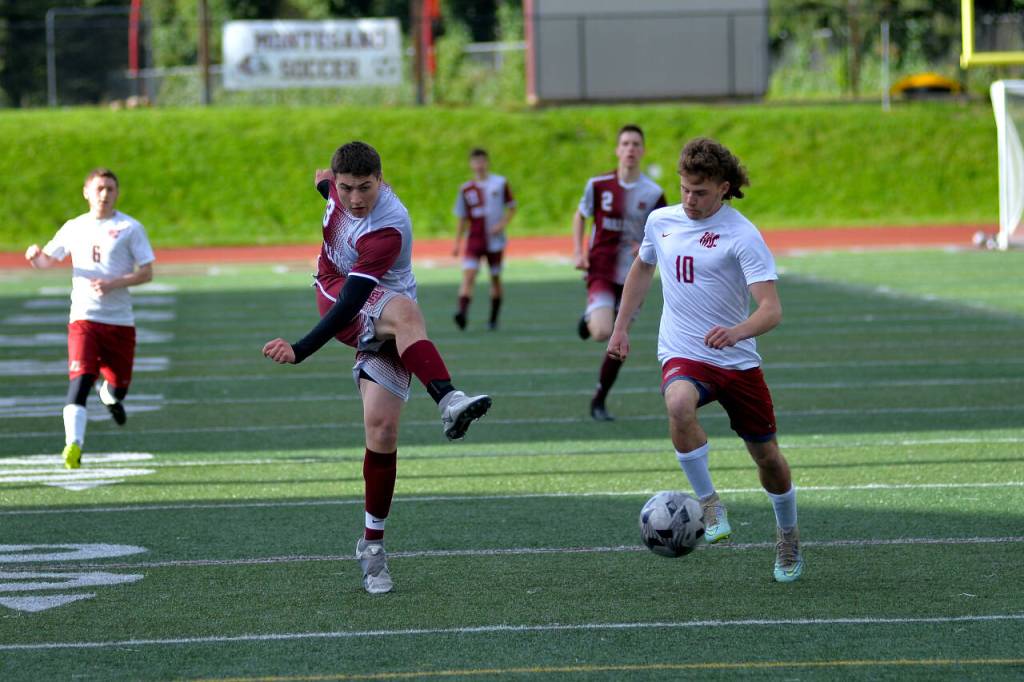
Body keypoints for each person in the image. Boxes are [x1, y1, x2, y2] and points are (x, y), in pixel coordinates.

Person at [262, 141, 492, 595]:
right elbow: (346, 300)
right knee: (407, 311)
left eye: (365, 188)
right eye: (345, 188)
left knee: (382, 431)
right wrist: (302, 348)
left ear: (381, 180)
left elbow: (361, 299)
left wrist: (301, 347)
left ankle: (372, 547)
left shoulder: (387, 228)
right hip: (335, 290)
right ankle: (448, 399)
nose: (354, 199)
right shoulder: (336, 189)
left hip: (376, 315)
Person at [606, 137, 803, 583]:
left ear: (724, 187)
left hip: (735, 360)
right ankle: (710, 504)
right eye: (684, 190)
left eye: (700, 192)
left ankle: (787, 533)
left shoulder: (743, 236)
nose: (689, 200)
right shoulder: (661, 221)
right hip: (683, 351)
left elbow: (771, 310)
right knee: (677, 404)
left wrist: (736, 332)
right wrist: (621, 327)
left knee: (768, 458)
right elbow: (642, 267)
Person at [24, 168, 155, 470]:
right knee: (80, 379)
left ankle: (110, 397)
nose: (104, 194)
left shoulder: (130, 227)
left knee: (118, 387)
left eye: (110, 189)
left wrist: (113, 283)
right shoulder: (74, 227)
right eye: (99, 188)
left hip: (120, 322)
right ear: (86, 192)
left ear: (117, 193)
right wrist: (34, 257)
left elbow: (147, 272)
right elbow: (47, 261)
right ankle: (74, 445)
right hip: (84, 317)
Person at [572, 124, 666, 421]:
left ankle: (599, 399)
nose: (630, 149)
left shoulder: (653, 193)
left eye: (636, 144)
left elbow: (665, 232)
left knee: (618, 338)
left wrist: (647, 246)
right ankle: (591, 322)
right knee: (602, 332)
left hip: (634, 276)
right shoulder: (598, 185)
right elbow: (580, 215)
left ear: (643, 150)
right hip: (601, 268)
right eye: (625, 143)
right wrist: (578, 251)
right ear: (617, 150)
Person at [452, 148, 516, 331]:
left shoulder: (500, 183)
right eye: (476, 162)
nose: (479, 165)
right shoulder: (466, 189)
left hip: (495, 240)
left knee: (495, 277)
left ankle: (493, 319)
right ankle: (462, 313)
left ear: (487, 162)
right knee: (469, 275)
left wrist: (502, 224)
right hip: (475, 239)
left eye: (482, 161)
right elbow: (462, 217)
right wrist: (457, 242)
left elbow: (512, 207)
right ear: (471, 165)